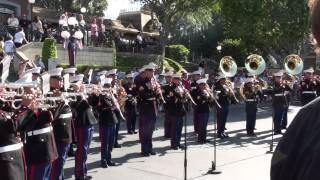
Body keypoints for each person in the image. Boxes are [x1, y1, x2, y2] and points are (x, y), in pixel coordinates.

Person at [271, 2, 320, 179]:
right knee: (278, 117)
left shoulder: (306, 120)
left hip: (301, 103)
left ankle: (280, 127)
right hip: (289, 101)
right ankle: (277, 128)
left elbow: (280, 167)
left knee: (284, 117)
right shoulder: (307, 117)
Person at [71, 74, 97, 180]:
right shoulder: (72, 94)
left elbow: (93, 103)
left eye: (82, 82)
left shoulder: (84, 93)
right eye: (80, 83)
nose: (83, 85)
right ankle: (79, 174)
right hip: (81, 124)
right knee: (82, 150)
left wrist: (95, 94)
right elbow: (75, 107)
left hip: (89, 122)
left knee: (86, 150)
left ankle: (83, 171)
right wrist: (80, 94)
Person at [135, 63, 159, 156]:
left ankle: (150, 148)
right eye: (151, 71)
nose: (153, 73)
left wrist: (157, 92)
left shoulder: (152, 81)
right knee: (145, 130)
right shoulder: (141, 81)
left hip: (152, 107)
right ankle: (144, 150)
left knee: (151, 130)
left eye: (153, 71)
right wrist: (153, 94)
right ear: (146, 72)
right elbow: (143, 95)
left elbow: (154, 95)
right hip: (145, 108)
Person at [167, 73, 186, 149]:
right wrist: (179, 97)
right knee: (174, 129)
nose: (179, 80)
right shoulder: (170, 88)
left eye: (179, 79)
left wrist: (185, 93)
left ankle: (178, 143)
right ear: (173, 80)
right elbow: (171, 99)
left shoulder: (180, 87)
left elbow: (182, 97)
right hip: (174, 110)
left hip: (180, 110)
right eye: (177, 79)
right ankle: (173, 144)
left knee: (179, 128)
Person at [193, 78, 213, 143]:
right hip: (201, 111)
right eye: (203, 85)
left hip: (206, 110)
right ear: (199, 85)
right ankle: (200, 139)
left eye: (205, 85)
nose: (204, 86)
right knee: (201, 126)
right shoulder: (197, 92)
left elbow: (210, 100)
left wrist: (211, 95)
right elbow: (200, 101)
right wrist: (207, 98)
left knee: (204, 126)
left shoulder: (206, 91)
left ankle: (204, 138)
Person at [215, 74, 233, 138]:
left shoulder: (226, 86)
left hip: (226, 103)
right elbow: (218, 96)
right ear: (220, 80)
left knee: (224, 119)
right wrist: (226, 93)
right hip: (220, 104)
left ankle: (223, 132)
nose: (225, 81)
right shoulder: (217, 87)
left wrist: (230, 93)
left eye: (225, 79)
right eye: (223, 79)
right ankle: (219, 133)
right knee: (220, 119)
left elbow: (228, 96)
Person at [161, 71, 173, 138]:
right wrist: (168, 97)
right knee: (167, 120)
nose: (169, 78)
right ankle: (167, 133)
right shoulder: (164, 86)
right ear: (165, 78)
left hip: (173, 105)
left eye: (170, 77)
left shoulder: (173, 85)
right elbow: (162, 95)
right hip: (167, 104)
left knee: (172, 120)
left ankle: (171, 132)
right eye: (168, 77)